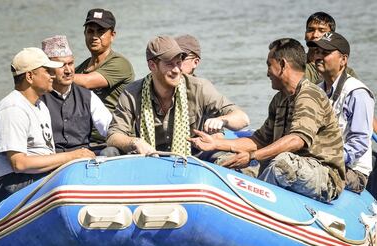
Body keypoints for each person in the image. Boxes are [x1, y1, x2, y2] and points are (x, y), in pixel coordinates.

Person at [188, 38, 345, 203]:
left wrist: (252, 156)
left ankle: (253, 207)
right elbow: (259, 140)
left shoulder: (309, 95)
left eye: (269, 65)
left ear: (283, 65)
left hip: (323, 175)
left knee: (282, 164)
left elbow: (297, 140)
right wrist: (215, 144)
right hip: (286, 166)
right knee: (225, 160)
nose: (267, 72)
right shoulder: (279, 100)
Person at [106, 36, 250, 158]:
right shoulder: (132, 93)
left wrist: (222, 120)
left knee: (224, 157)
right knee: (110, 152)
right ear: (152, 65)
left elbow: (243, 118)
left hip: (194, 159)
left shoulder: (199, 87)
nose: (176, 70)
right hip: (148, 158)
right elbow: (113, 135)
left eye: (179, 62)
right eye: (169, 64)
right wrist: (135, 142)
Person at [0, 47, 95, 205]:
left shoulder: (41, 106)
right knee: (73, 178)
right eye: (47, 71)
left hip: (33, 175)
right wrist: (72, 156)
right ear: (30, 76)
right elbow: (19, 163)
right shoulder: (13, 107)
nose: (52, 76)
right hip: (8, 183)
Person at [307, 32, 375, 193]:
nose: (319, 56)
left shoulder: (357, 93)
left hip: (352, 172)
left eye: (325, 53)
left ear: (343, 60)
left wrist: (326, 158)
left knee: (291, 171)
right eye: (317, 52)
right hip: (320, 162)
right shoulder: (316, 90)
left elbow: (359, 142)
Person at [40, 35, 112, 154]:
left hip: (84, 161)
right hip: (51, 163)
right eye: (61, 65)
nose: (68, 70)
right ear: (48, 69)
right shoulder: (38, 100)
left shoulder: (88, 97)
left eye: (71, 63)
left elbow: (110, 128)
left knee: (111, 151)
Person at [304, 12, 357, 83]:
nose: (315, 35)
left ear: (331, 36)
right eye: (310, 30)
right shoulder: (298, 65)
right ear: (305, 34)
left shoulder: (346, 71)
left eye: (321, 30)